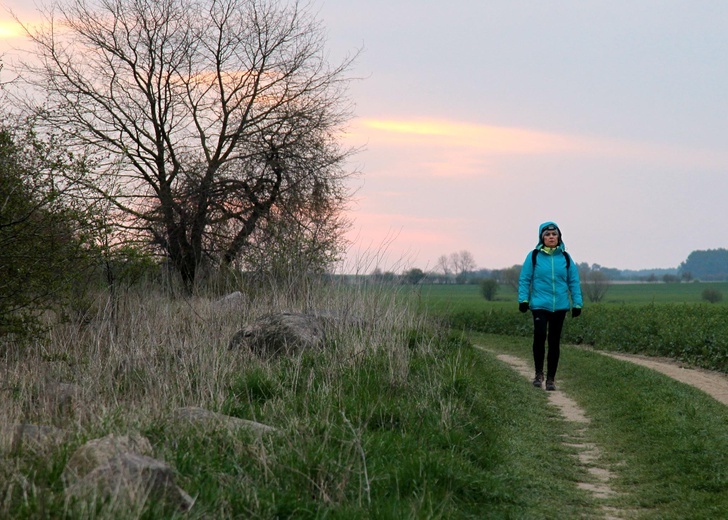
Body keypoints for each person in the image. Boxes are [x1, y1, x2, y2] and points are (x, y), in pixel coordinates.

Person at [518, 221, 583, 391]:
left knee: (554, 342)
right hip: (540, 303)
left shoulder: (566, 258)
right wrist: (523, 300)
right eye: (547, 235)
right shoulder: (534, 256)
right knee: (539, 336)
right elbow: (525, 279)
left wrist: (577, 303)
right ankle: (539, 374)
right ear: (542, 238)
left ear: (559, 237)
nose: (551, 237)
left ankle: (551, 379)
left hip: (560, 305)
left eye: (554, 234)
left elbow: (573, 282)